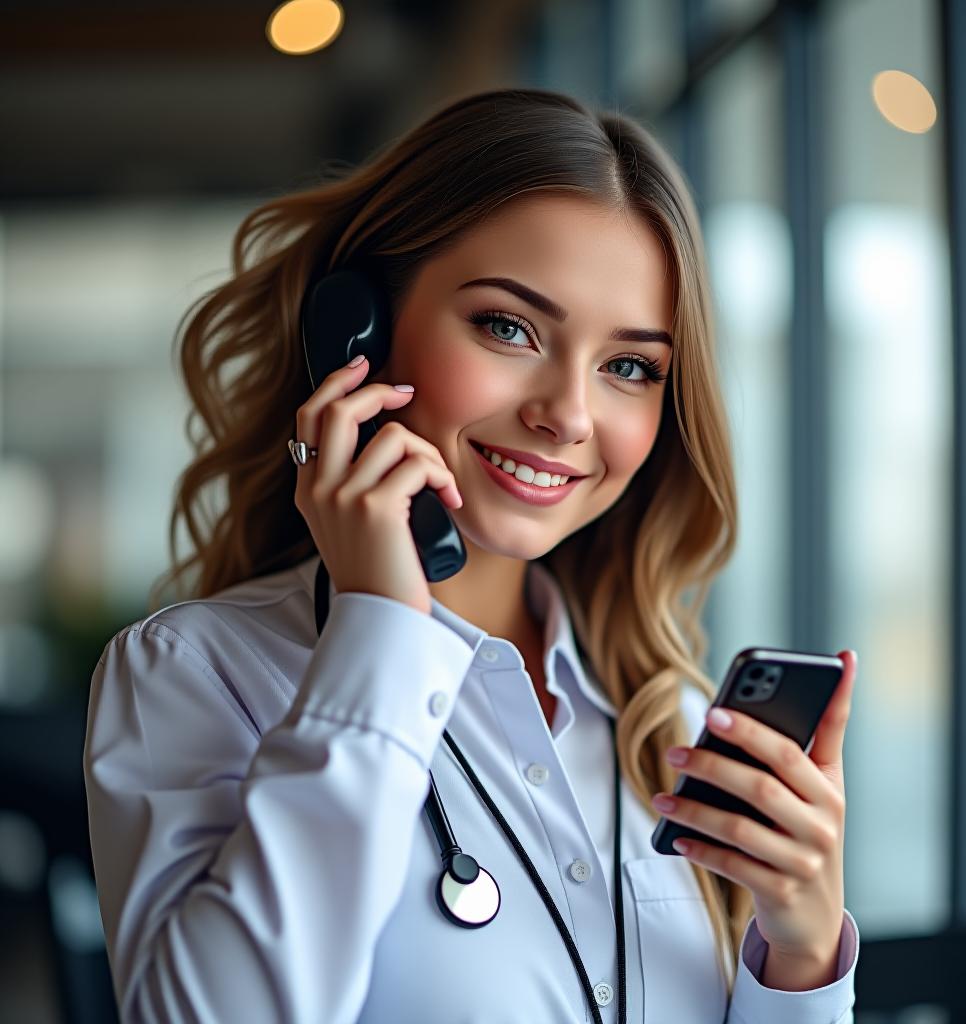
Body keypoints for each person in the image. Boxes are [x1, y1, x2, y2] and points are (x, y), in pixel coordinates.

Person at [82, 87, 860, 1023]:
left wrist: (804, 958)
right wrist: (375, 636)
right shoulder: (194, 673)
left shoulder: (673, 722)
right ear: (357, 331)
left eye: (629, 367)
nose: (568, 414)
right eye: (508, 327)